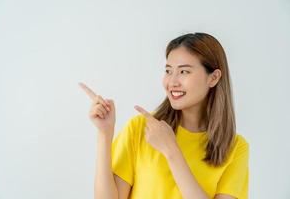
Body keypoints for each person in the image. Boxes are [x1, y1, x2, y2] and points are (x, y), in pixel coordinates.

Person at [79, 32, 249, 199]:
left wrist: (171, 151)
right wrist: (104, 134)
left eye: (184, 72)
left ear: (213, 77)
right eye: (168, 71)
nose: (172, 82)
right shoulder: (141, 128)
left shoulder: (235, 148)